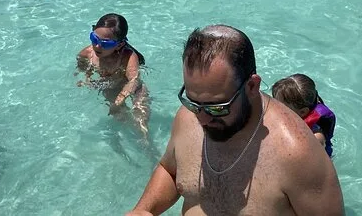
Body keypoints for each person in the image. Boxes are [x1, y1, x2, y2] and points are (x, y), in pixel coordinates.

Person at [128, 25, 344, 216]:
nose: (202, 118)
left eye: (217, 107)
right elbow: (171, 170)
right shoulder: (188, 117)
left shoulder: (298, 155)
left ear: (252, 86)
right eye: (193, 102)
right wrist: (144, 209)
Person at [76, 13, 149, 134]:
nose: (97, 46)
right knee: (120, 117)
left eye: (105, 43)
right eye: (94, 39)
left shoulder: (127, 57)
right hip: (111, 87)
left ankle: (145, 139)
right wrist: (86, 79)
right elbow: (82, 69)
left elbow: (134, 80)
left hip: (135, 88)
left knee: (140, 115)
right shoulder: (87, 54)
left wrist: (120, 99)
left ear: (119, 44)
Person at [272, 73, 336, 157]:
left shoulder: (316, 137)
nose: (275, 108)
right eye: (275, 102)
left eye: (281, 107)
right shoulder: (291, 115)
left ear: (302, 112)